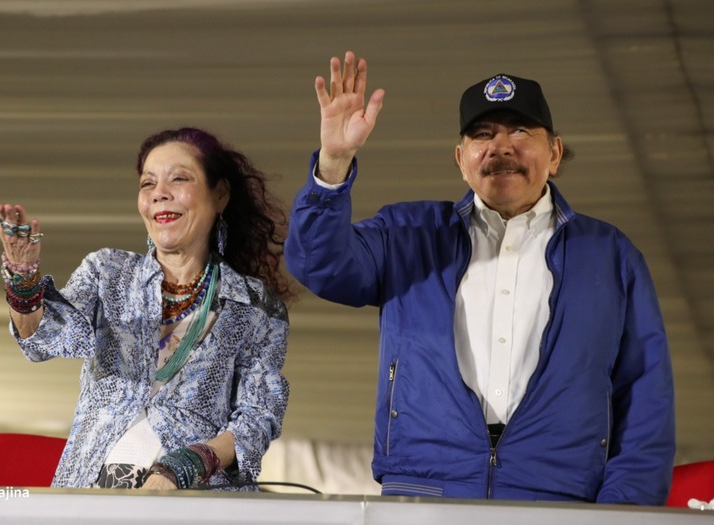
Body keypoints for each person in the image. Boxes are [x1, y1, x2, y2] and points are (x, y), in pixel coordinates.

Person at [285, 51, 675, 504]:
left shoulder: (610, 256)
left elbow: (646, 399)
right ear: (461, 159)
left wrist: (621, 513)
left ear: (554, 153)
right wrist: (334, 163)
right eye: (482, 134)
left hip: (558, 503)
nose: (500, 146)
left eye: (520, 131)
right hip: (424, 498)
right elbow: (319, 264)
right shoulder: (409, 236)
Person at [0, 127, 293, 491]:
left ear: (220, 194)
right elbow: (44, 338)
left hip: (194, 497)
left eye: (179, 178)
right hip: (90, 495)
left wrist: (191, 463)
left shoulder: (254, 304)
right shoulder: (108, 272)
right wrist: (23, 278)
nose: (160, 193)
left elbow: (258, 417)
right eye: (148, 183)